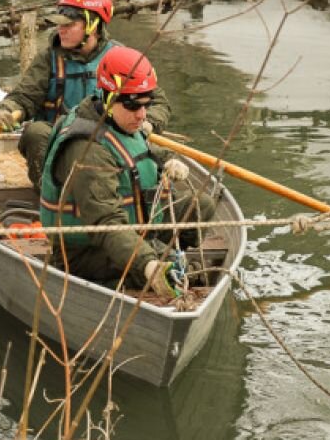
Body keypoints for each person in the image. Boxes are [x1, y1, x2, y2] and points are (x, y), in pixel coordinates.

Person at [38, 46, 213, 298]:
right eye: (132, 105)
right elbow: (107, 224)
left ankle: (165, 258)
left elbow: (134, 154)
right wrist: (149, 265)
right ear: (107, 96)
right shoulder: (86, 151)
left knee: (202, 205)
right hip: (87, 252)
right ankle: (168, 266)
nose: (142, 114)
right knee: (162, 263)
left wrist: (168, 160)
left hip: (137, 225)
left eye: (147, 104)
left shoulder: (118, 120)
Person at [0, 0, 171, 184]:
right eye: (60, 24)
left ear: (92, 26)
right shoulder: (49, 57)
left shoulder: (122, 58)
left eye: (69, 25)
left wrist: (148, 122)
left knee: (159, 159)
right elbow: (23, 97)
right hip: (60, 143)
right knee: (36, 132)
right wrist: (5, 110)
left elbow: (156, 102)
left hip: (109, 139)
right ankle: (50, 195)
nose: (61, 30)